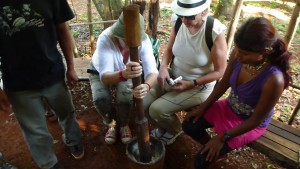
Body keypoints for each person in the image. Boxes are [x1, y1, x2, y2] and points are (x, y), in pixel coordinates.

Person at [182, 17, 291, 169]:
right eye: (237, 49)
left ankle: (213, 153)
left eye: (245, 53)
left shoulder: (274, 79)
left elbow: (255, 120)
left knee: (200, 162)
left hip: (249, 122)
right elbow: (223, 85)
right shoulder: (239, 53)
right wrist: (203, 107)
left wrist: (221, 138)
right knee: (189, 125)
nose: (238, 56)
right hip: (228, 107)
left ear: (264, 52)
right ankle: (216, 152)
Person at [0, 1, 84, 169]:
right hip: (17, 82)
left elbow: (63, 29)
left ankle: (73, 140)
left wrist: (71, 67)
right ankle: (49, 164)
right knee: (35, 131)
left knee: (67, 113)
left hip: (53, 73)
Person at [143, 0, 227, 145]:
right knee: (143, 103)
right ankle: (164, 126)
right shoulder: (178, 22)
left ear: (204, 11)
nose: (184, 21)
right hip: (174, 76)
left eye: (190, 17)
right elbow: (169, 49)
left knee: (156, 110)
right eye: (181, 16)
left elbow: (220, 71)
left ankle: (175, 129)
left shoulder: (214, 31)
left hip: (199, 86)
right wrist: (163, 68)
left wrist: (192, 83)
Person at [89, 13, 158, 145]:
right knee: (101, 99)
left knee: (125, 98)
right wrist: (123, 75)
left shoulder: (144, 40)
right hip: (100, 72)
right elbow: (105, 78)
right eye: (126, 40)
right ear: (117, 35)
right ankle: (112, 124)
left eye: (135, 41)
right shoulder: (106, 38)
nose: (132, 44)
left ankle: (124, 124)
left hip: (126, 72)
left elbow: (153, 72)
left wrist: (147, 86)